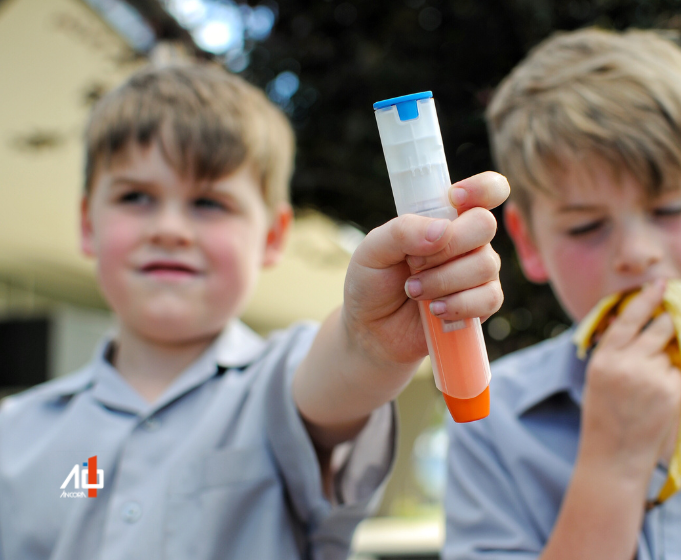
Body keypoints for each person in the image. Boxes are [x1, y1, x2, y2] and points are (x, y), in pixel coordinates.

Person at [0, 62, 508, 560]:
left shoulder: (285, 381)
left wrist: (369, 342)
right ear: (88, 224)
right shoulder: (13, 435)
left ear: (272, 235)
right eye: (136, 196)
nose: (169, 230)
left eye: (209, 203)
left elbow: (343, 371)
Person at [443, 27, 681, 559]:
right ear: (529, 244)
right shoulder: (494, 425)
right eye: (586, 227)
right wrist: (613, 470)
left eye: (669, 210)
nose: (638, 253)